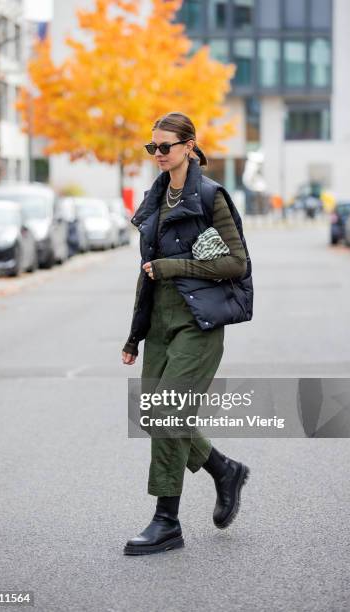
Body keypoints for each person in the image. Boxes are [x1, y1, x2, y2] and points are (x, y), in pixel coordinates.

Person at [121, 112, 250, 556]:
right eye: (151, 147)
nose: (157, 154)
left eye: (165, 147)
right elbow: (147, 273)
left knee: (169, 414)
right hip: (159, 322)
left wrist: (175, 267)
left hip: (199, 321)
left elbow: (236, 263)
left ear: (189, 147)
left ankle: (166, 521)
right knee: (157, 414)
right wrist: (134, 336)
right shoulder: (155, 200)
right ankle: (222, 468)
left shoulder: (211, 197)